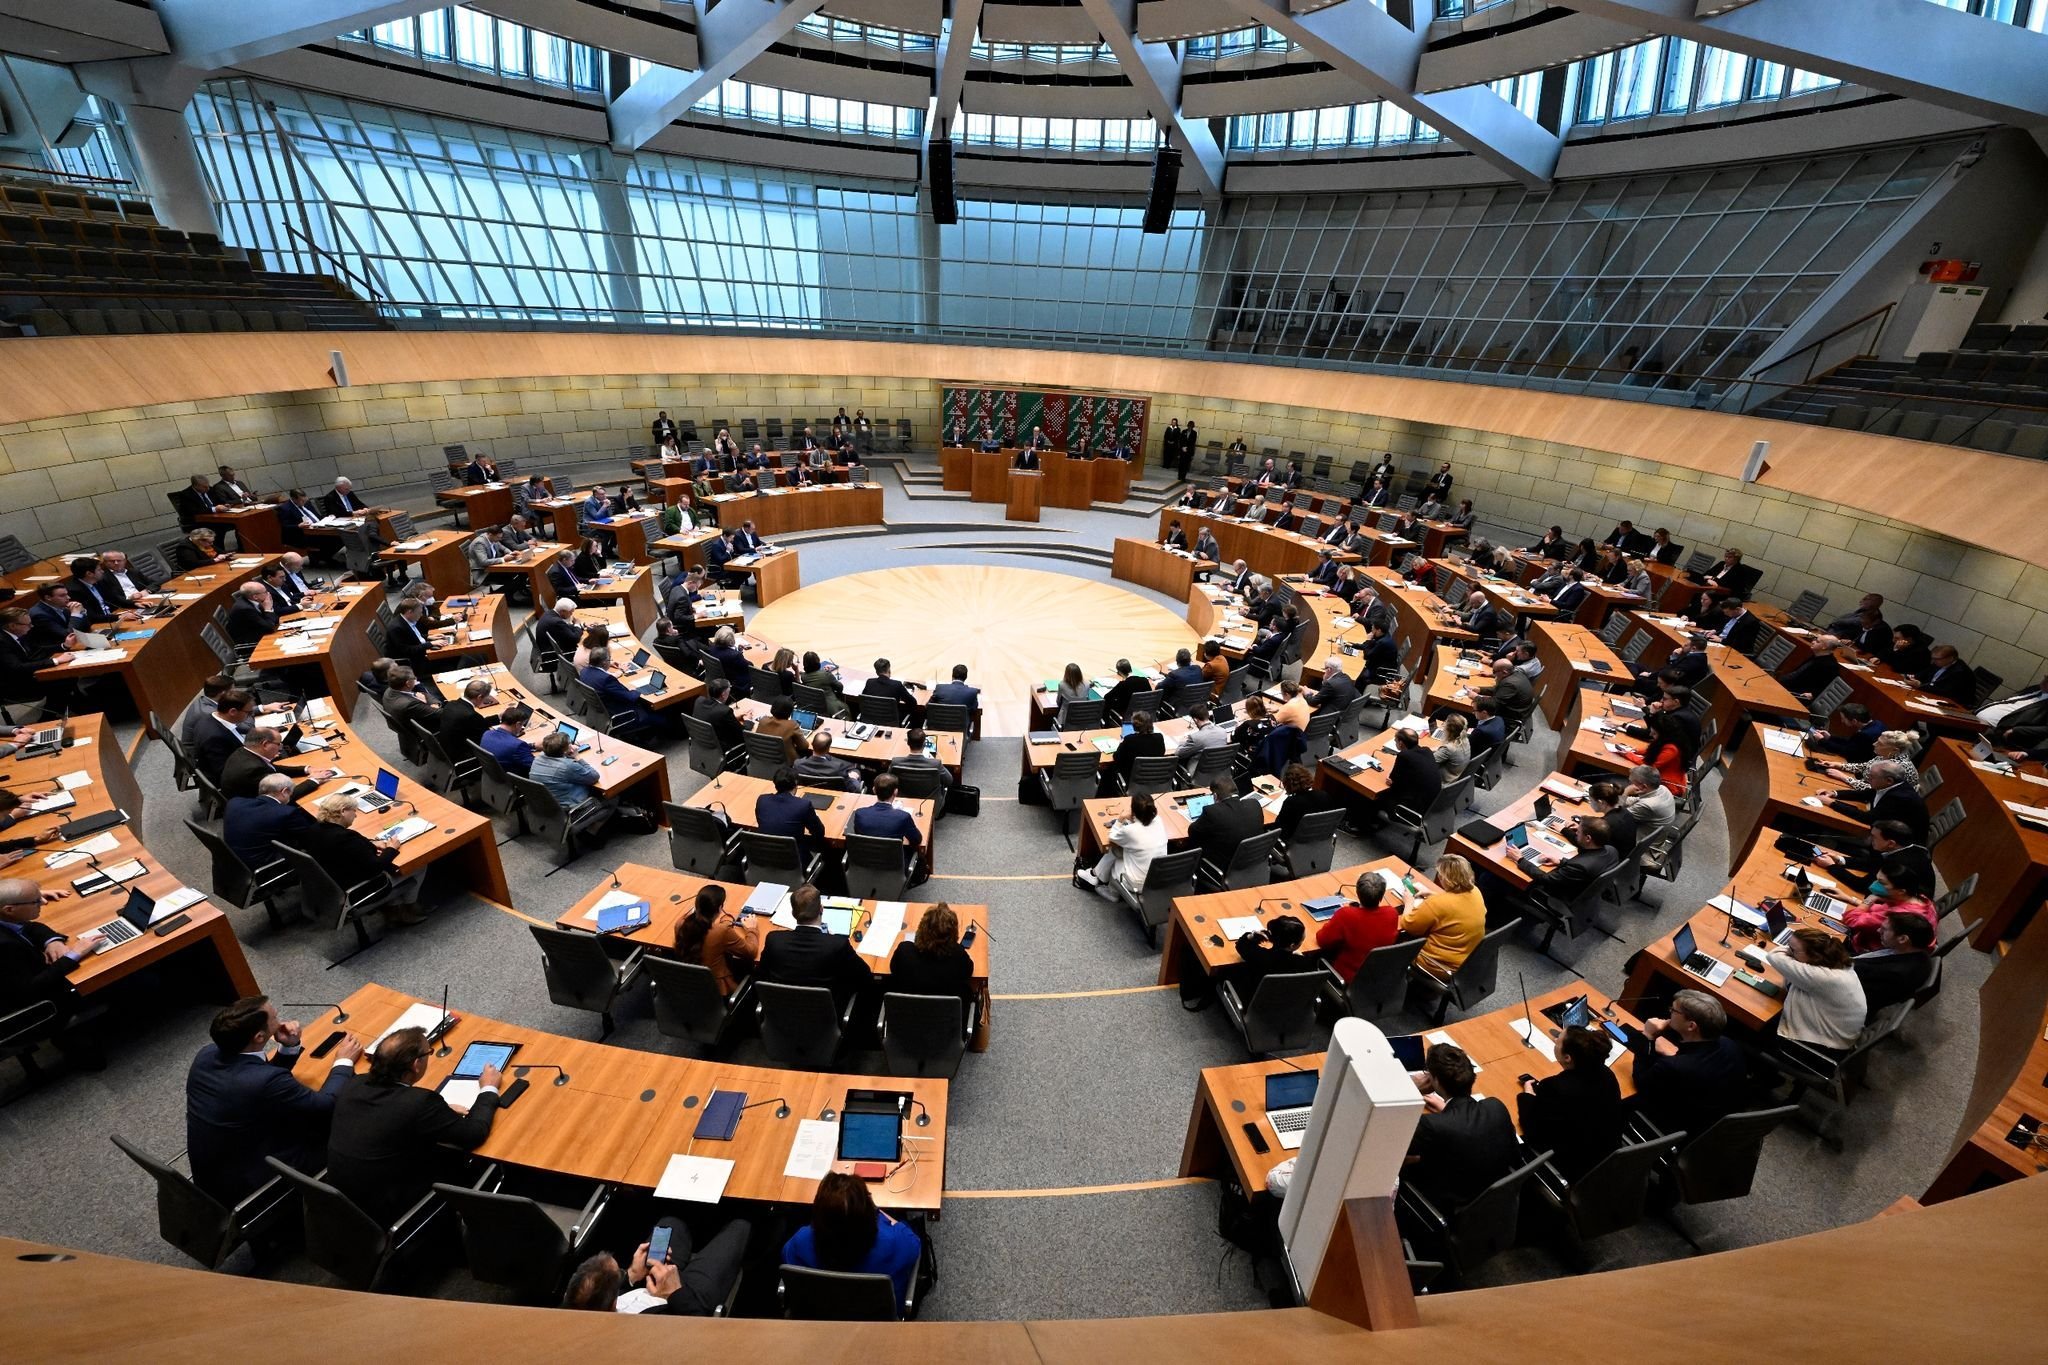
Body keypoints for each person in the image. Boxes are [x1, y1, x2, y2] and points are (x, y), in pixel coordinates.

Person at [185, 995, 362, 1205]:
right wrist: (343, 1062)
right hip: (255, 1185)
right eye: (275, 1017)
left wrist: (290, 1046)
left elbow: (259, 1079)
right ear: (260, 1037)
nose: (280, 1022)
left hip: (216, 1175)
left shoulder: (207, 1055)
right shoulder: (264, 1081)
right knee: (354, 1124)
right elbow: (325, 1105)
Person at [326, 1026, 501, 1224]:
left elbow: (390, 1114)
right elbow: (474, 1133)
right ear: (417, 1064)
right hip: (391, 1210)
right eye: (429, 1053)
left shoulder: (354, 1083)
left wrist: (436, 1115)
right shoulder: (419, 1103)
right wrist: (488, 1088)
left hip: (345, 1205)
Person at [1404, 1042, 1518, 1211]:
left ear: (1435, 1080)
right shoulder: (1495, 1106)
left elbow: (1394, 1150)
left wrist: (1410, 1090)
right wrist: (1448, 1112)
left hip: (1451, 1204)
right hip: (1495, 1201)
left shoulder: (1433, 1126)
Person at [1625, 990, 1752, 1140]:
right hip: (1713, 1125)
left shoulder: (1674, 1067)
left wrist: (1648, 1036)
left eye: (1673, 1010)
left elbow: (1641, 1081)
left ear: (1691, 1026)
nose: (1670, 1012)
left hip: (1676, 1130)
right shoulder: (1729, 1045)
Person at [563, 1216, 751, 1316]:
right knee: (740, 1227)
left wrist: (631, 1276)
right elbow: (697, 1330)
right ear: (612, 1303)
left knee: (671, 1222)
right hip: (683, 1303)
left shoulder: (574, 1307)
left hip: (647, 1284)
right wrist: (675, 1293)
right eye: (618, 1275)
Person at [782, 1172, 922, 1304]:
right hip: (877, 1325)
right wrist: (877, 1211)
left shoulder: (800, 1242)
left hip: (817, 1320)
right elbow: (914, 1243)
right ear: (868, 1215)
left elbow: (787, 1257)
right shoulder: (894, 1242)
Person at [288, 792, 429, 922]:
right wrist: (392, 849)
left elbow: (349, 847)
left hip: (335, 881)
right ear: (343, 811)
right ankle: (409, 909)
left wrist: (371, 844)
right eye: (353, 811)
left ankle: (393, 909)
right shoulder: (346, 837)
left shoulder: (314, 829)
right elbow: (376, 868)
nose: (355, 815)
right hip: (361, 888)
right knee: (418, 864)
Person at [1517, 1024, 1625, 1181]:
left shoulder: (1556, 1087)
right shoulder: (1607, 1074)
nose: (1555, 1040)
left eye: (1558, 1041)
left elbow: (1533, 1130)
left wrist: (1527, 1096)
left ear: (1567, 1058)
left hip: (1575, 1167)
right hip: (1604, 1158)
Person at [759, 885, 872, 1009]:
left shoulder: (774, 939)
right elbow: (865, 976)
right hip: (825, 1017)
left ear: (793, 913)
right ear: (821, 909)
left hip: (781, 1014)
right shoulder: (837, 944)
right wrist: (831, 940)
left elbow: (762, 974)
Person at [1767, 928, 1867, 1058]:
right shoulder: (1839, 963)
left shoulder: (1823, 977)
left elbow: (1774, 956)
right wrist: (1796, 949)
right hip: (1832, 1037)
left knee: (1747, 1026)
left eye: (1793, 950)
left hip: (1816, 1050)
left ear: (1814, 956)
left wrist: (1790, 950)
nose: (1789, 952)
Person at [1401, 854, 1486, 980]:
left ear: (1447, 879)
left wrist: (1408, 902)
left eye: (1440, 875)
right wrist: (1432, 894)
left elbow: (1408, 925)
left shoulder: (1437, 904)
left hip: (1435, 965)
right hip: (1465, 961)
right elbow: (1459, 905)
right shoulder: (1475, 891)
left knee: (1398, 940)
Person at [1814, 758, 1929, 845]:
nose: (1868, 779)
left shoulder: (1899, 798)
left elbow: (1868, 818)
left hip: (1894, 843)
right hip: (1882, 829)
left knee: (1827, 828)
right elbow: (1867, 793)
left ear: (1889, 780)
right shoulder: (1894, 785)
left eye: (1872, 777)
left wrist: (1832, 803)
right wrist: (1834, 793)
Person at [673, 883, 759, 997]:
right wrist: (752, 929)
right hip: (716, 989)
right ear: (720, 908)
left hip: (689, 983)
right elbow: (751, 951)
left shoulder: (680, 924)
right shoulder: (721, 931)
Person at [1810, 818, 1930, 898]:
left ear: (1891, 843)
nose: (1870, 840)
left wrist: (1831, 866)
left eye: (1874, 837)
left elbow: (1862, 886)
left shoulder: (1898, 864)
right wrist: (1839, 859)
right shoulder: (1906, 847)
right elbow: (1871, 863)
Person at [1318, 871, 1401, 983]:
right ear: (1381, 896)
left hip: (1348, 978)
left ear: (1357, 892)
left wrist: (1334, 920)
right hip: (1376, 974)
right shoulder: (1392, 913)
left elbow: (1322, 940)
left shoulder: (1346, 915)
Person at [530, 731, 619, 834]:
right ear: (564, 751)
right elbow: (594, 777)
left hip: (549, 805)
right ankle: (592, 832)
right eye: (569, 744)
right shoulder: (567, 766)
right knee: (612, 797)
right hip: (571, 809)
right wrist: (577, 757)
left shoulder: (538, 758)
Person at [220, 726, 336, 803]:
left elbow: (271, 768)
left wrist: (306, 769)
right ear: (265, 744)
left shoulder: (243, 751)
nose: (281, 748)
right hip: (259, 810)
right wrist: (314, 781)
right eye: (278, 744)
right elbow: (282, 796)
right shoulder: (252, 770)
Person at [1853, 911, 1937, 1015]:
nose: (1878, 930)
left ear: (1902, 939)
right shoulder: (1913, 952)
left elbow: (1851, 988)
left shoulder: (1896, 973)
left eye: (1884, 929)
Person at [889, 903, 976, 1003]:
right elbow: (968, 972)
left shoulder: (904, 951)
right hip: (947, 1016)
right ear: (952, 933)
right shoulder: (958, 955)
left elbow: (893, 969)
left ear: (921, 928)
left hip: (907, 1014)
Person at [848, 773, 925, 881]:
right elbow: (917, 840)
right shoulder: (903, 817)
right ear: (896, 792)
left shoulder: (860, 813)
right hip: (894, 864)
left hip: (864, 861)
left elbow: (858, 833)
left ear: (874, 790)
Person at [1840, 874, 1939, 954]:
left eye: (1881, 883)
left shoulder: (1899, 916)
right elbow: (1881, 910)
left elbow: (1851, 920)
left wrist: (1870, 899)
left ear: (1901, 891)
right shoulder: (1921, 899)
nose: (1875, 884)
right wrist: (1851, 899)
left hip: (1866, 952)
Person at [1369, 727, 1442, 830]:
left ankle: (1363, 825)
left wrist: (1393, 781)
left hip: (1410, 812)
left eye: (1395, 741)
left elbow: (1393, 782)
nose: (1395, 743)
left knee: (1374, 795)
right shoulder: (1426, 750)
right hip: (1429, 807)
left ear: (1401, 743)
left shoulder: (1404, 755)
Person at [1187, 771, 1262, 870]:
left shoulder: (1212, 812)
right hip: (1254, 862)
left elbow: (1192, 832)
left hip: (1224, 866)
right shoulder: (1254, 804)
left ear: (1215, 796)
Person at [756, 765, 829, 865]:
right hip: (795, 861)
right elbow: (819, 832)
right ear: (796, 784)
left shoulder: (762, 800)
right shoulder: (803, 805)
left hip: (765, 857)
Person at [1232, 913, 1311, 990]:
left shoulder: (1259, 956)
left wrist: (1253, 936)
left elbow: (1241, 944)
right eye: (1302, 941)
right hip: (1287, 1000)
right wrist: (1300, 957)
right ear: (1292, 946)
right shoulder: (1303, 964)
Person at [1578, 780, 1636, 856]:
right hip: (1624, 858)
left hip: (1609, 861)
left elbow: (1585, 844)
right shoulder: (1625, 812)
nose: (1590, 803)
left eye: (1591, 800)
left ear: (1601, 802)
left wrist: (1564, 830)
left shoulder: (1605, 824)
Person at [794, 728, 863, 792]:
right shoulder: (838, 768)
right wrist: (853, 778)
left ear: (812, 744)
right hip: (836, 796)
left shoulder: (798, 764)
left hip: (809, 793)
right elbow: (855, 789)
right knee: (855, 771)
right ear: (828, 749)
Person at [481, 702, 537, 776]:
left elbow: (506, 747)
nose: (521, 728)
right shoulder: (518, 745)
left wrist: (533, 746)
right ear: (517, 724)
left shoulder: (487, 734)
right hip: (513, 778)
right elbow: (535, 766)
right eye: (522, 725)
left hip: (491, 774)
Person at [1621, 763, 1676, 836]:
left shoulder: (1647, 805)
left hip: (1641, 841)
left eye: (1631, 783)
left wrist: (1625, 792)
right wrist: (1615, 798)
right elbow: (1636, 800)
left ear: (1644, 786)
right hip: (1653, 834)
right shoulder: (1662, 788)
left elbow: (1619, 817)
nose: (1629, 785)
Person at [1478, 656, 1533, 728]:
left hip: (1508, 718)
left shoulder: (1510, 684)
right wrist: (1479, 690)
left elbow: (1494, 705)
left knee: (1476, 710)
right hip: (1516, 710)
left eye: (1494, 672)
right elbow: (1499, 690)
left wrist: (1476, 697)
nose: (1493, 674)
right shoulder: (1516, 673)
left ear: (1504, 672)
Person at [862, 657, 921, 724]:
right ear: (889, 670)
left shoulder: (869, 682)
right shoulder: (896, 685)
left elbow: (864, 698)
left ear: (876, 672)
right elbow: (913, 702)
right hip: (890, 721)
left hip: (870, 720)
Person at [1430, 712, 1471, 778]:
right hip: (1455, 776)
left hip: (1442, 781)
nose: (1443, 725)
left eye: (1444, 724)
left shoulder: (1449, 749)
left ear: (1449, 730)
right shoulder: (1465, 739)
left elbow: (1428, 762)